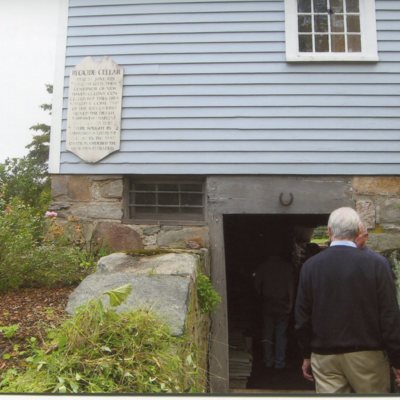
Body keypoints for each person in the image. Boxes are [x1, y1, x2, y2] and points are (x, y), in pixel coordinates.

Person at [295, 207, 400, 393]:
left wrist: (306, 354)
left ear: (329, 232)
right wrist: (396, 359)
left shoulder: (310, 267)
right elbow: (389, 315)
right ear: (359, 230)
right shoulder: (377, 264)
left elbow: (302, 316)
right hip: (368, 355)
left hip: (325, 355)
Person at [254, 251, 295, 369]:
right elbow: (290, 286)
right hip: (282, 303)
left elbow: (256, 284)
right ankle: (280, 362)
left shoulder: (263, 266)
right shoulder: (286, 267)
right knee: (281, 333)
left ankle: (268, 361)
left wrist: (260, 295)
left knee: (267, 333)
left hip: (267, 303)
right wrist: (291, 303)